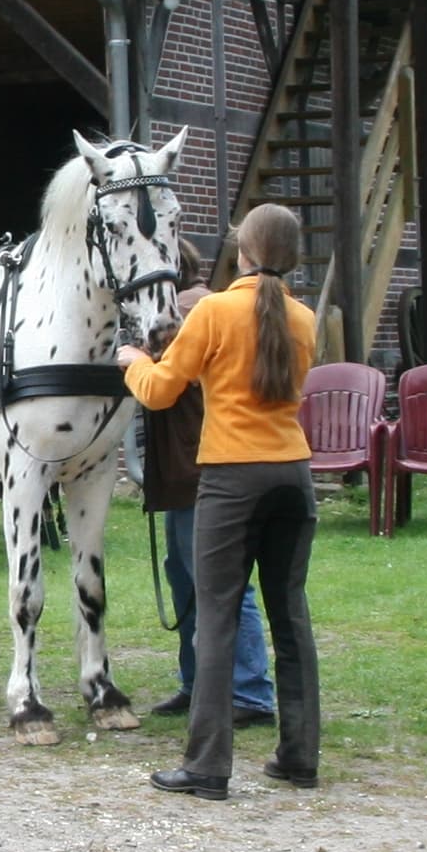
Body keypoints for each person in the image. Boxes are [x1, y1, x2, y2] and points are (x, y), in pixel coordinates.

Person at [120, 204, 320, 797]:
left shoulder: (213, 310)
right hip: (294, 472)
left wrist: (133, 362)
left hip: (232, 478)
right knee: (291, 616)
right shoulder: (305, 318)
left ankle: (208, 765)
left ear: (243, 251)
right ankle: (299, 756)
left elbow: (158, 394)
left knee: (217, 617)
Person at [142, 240, 275, 729]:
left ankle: (250, 693)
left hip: (203, 467)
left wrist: (131, 358)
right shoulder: (197, 305)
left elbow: (161, 385)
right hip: (188, 470)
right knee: (187, 577)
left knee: (218, 581)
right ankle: (198, 681)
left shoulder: (187, 309)